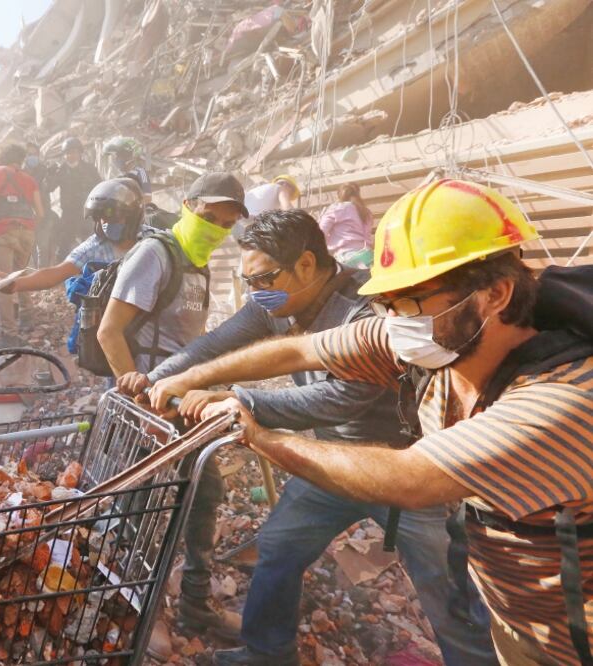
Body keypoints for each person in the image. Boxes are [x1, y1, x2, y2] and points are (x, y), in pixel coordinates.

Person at [165, 179, 593, 665]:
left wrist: (253, 430)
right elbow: (300, 349)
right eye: (387, 303)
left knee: (449, 605)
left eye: (408, 302)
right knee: (282, 546)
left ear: (494, 293)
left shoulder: (563, 400)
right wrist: (186, 379)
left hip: (569, 641)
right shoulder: (438, 332)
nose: (394, 321)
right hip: (512, 603)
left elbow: (409, 479)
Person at [140, 211, 496, 665]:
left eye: (265, 278)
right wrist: (158, 378)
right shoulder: (275, 303)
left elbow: (342, 397)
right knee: (278, 547)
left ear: (306, 265)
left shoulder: (366, 309)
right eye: (248, 281)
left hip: (405, 470)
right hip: (327, 458)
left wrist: (238, 399)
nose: (256, 293)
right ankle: (268, 653)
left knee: (446, 592)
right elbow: (216, 345)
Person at [98, 172, 247, 382]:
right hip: (149, 395)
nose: (215, 230)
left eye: (227, 225)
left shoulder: (200, 265)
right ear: (187, 206)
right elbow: (109, 332)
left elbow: (194, 337)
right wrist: (139, 396)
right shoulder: (154, 254)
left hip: (178, 393)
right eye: (208, 218)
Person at [1, 178, 145, 353]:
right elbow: (56, 273)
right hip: (115, 335)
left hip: (151, 330)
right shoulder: (94, 247)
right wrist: (16, 284)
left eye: (111, 216)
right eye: (100, 218)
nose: (105, 223)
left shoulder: (153, 242)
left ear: (132, 215)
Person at [0, 140, 44, 336]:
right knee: (20, 274)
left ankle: (9, 333)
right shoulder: (29, 179)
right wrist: (30, 229)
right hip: (27, 231)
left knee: (2, 281)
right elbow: (40, 212)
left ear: (1, 157)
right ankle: (27, 318)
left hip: (3, 231)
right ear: (20, 160)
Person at [44, 137, 102, 262]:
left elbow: (100, 187)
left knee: (92, 245)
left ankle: (93, 274)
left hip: (87, 213)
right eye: (67, 153)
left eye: (74, 152)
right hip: (69, 214)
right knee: (64, 247)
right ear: (64, 155)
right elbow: (48, 188)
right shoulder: (61, 170)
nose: (71, 155)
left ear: (80, 153)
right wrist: (49, 175)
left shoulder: (89, 169)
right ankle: (60, 276)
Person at [318, 183, 375, 268]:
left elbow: (320, 233)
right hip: (368, 256)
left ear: (339, 196)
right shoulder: (366, 212)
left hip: (347, 257)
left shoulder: (336, 209)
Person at [103, 136, 152, 203]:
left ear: (127, 155)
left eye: (118, 156)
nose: (116, 159)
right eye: (114, 157)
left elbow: (148, 198)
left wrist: (131, 206)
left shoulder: (140, 172)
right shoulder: (119, 176)